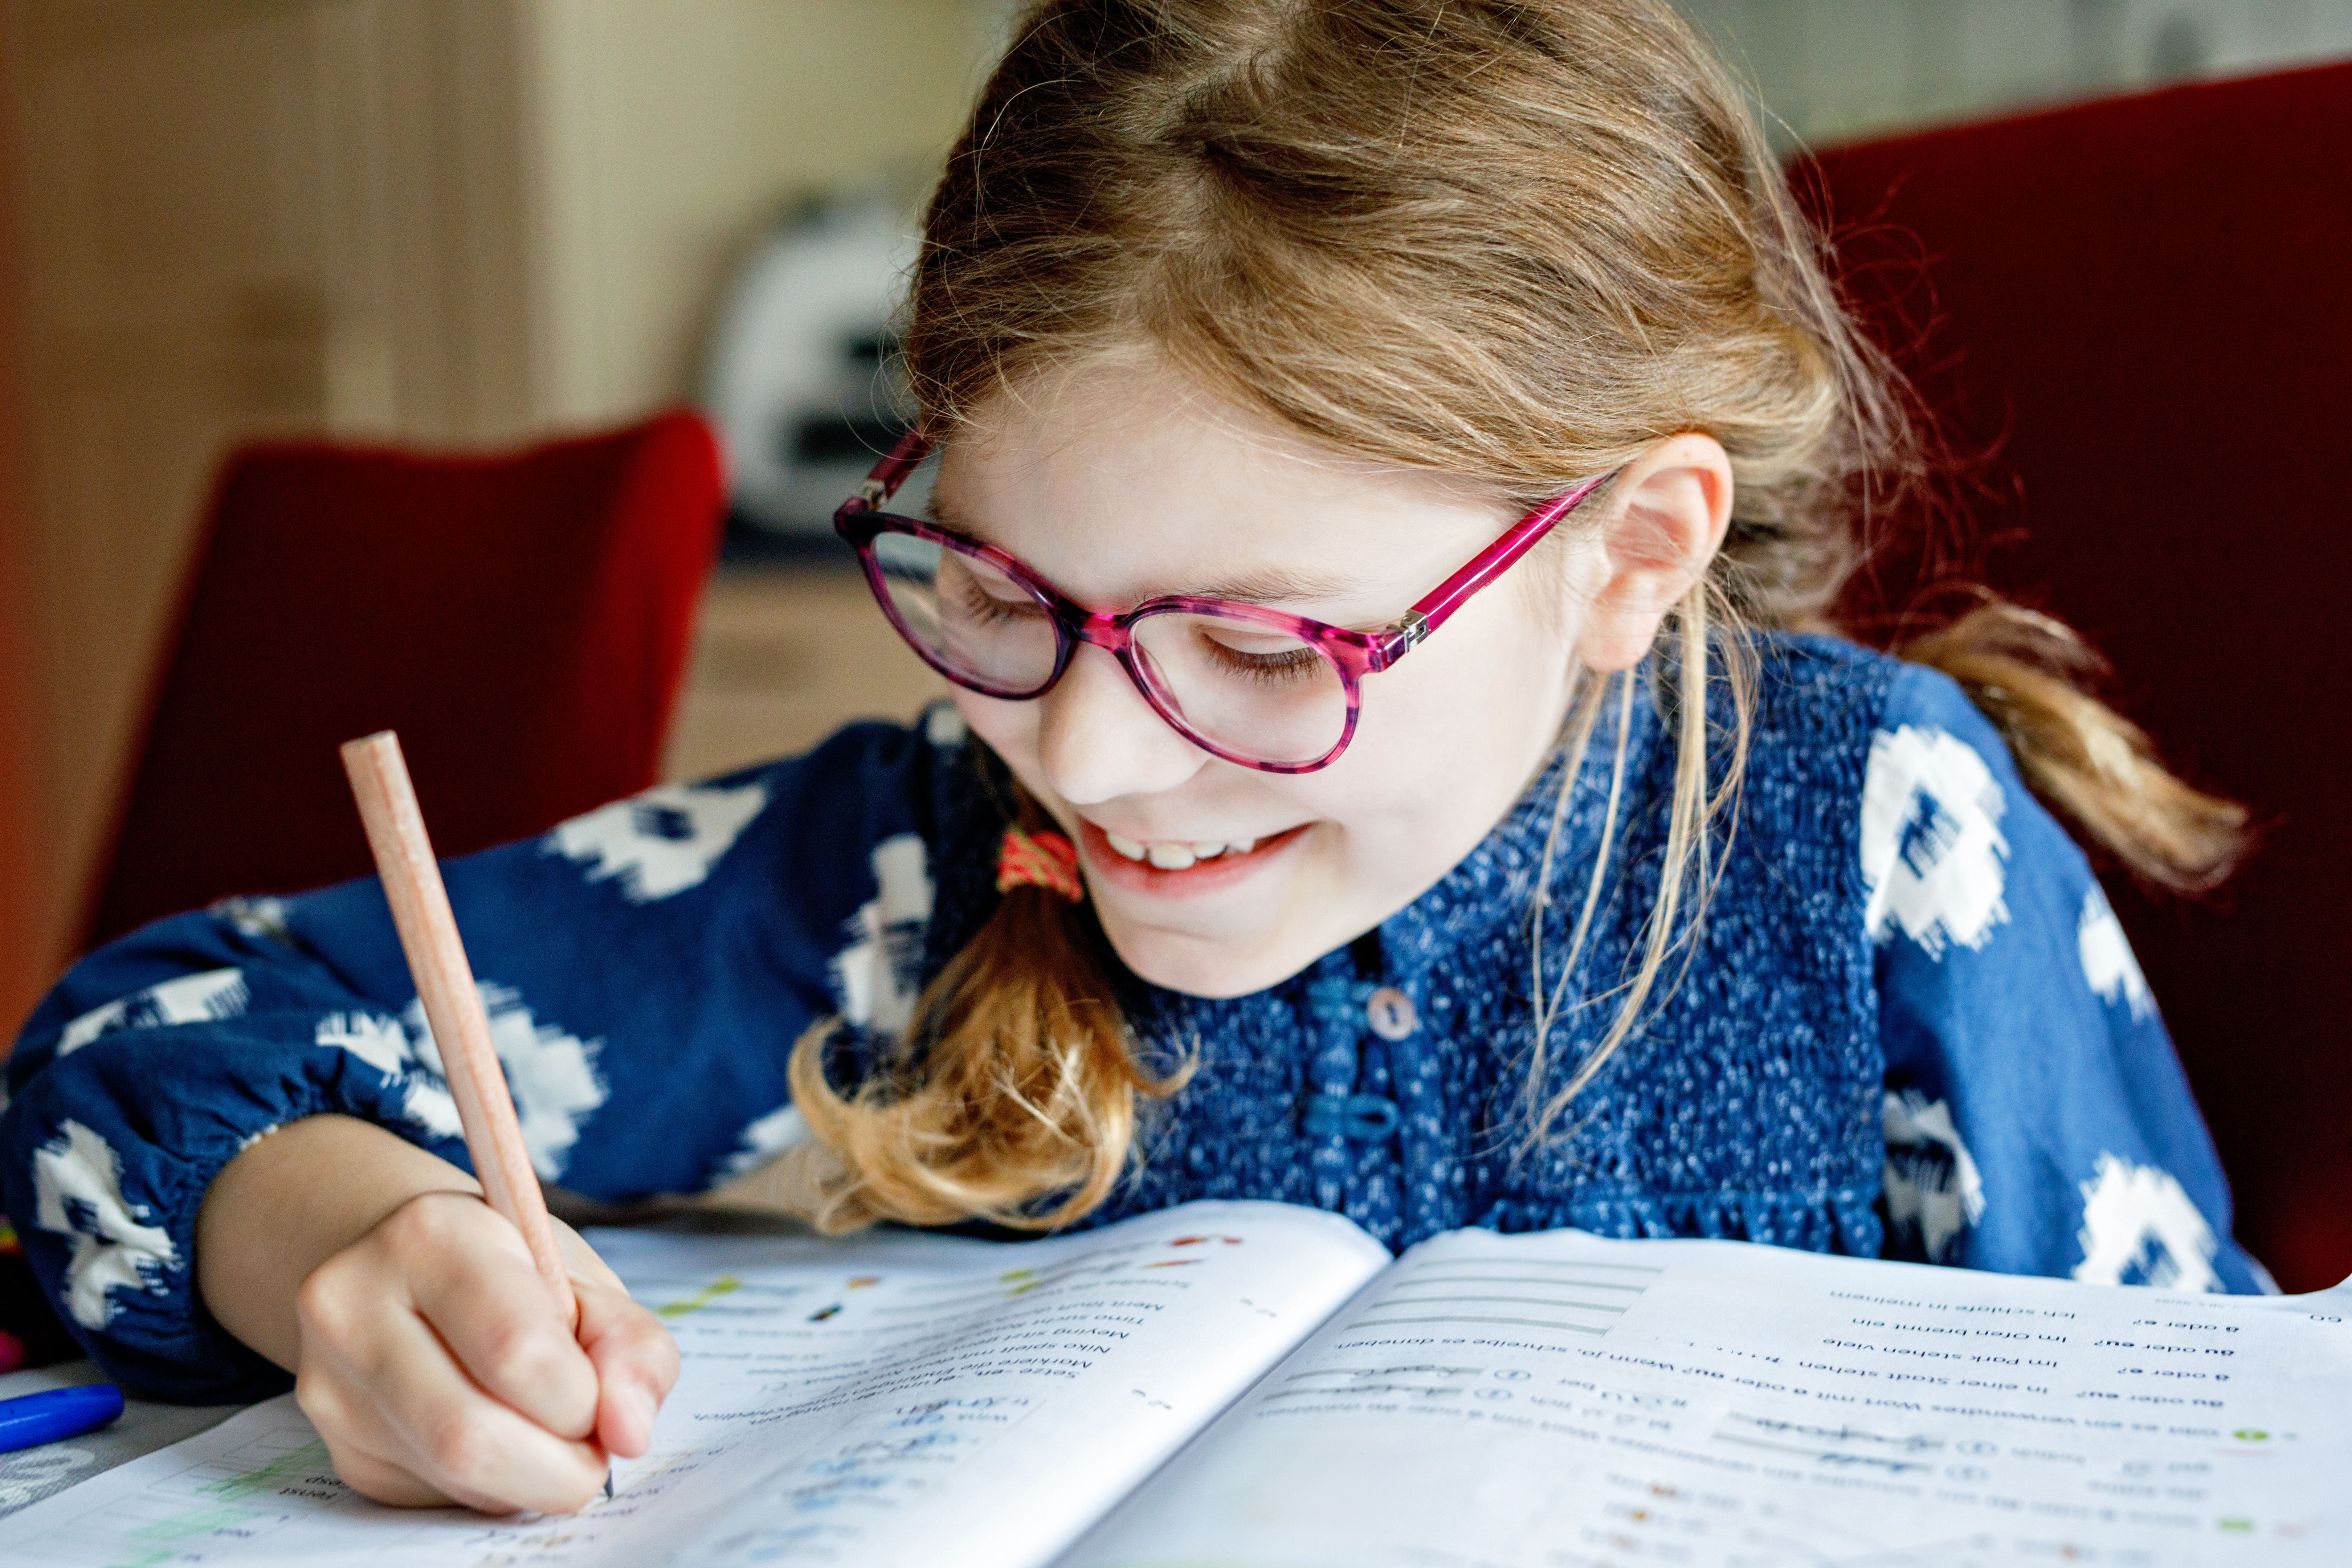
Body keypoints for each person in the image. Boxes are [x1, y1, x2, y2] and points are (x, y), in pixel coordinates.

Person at [0, 0, 2266, 1518]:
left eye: (1262, 648)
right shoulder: (917, 863)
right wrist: (346, 1244)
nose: (1083, 748)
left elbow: (2193, 1469)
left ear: (1625, 556)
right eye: (996, 588)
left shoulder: (1878, 849)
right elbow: (134, 1049)